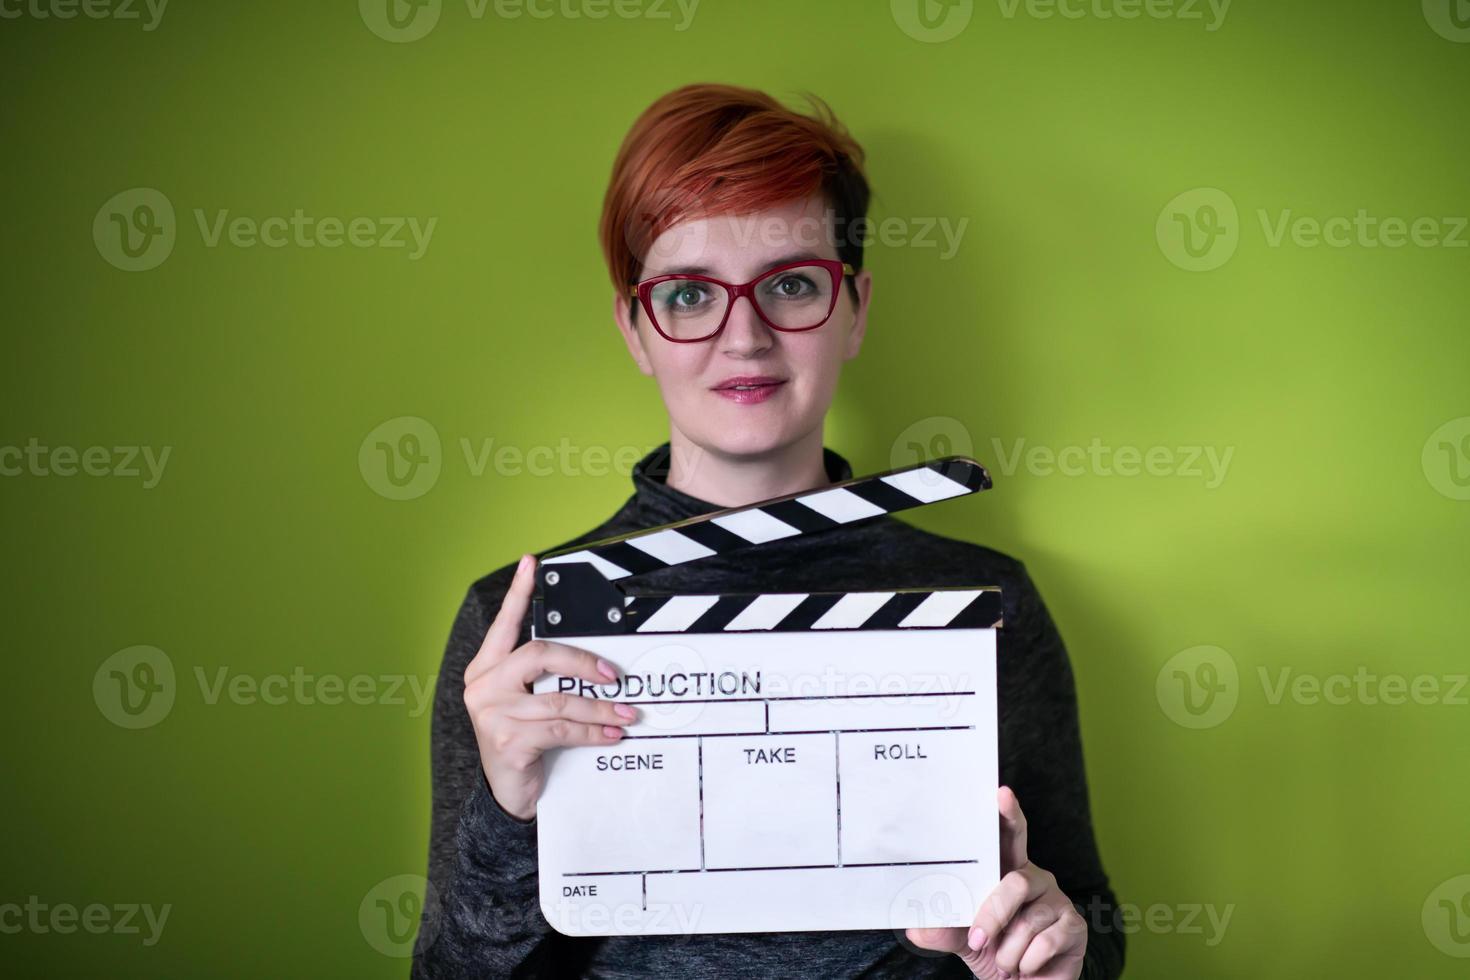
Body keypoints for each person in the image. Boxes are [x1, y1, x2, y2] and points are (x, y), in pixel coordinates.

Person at [411, 82, 1125, 980]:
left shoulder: (985, 605)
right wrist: (505, 812)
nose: (743, 337)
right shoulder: (518, 632)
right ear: (636, 327)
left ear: (856, 308)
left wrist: (1049, 951)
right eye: (686, 294)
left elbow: (1090, 922)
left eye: (790, 284)